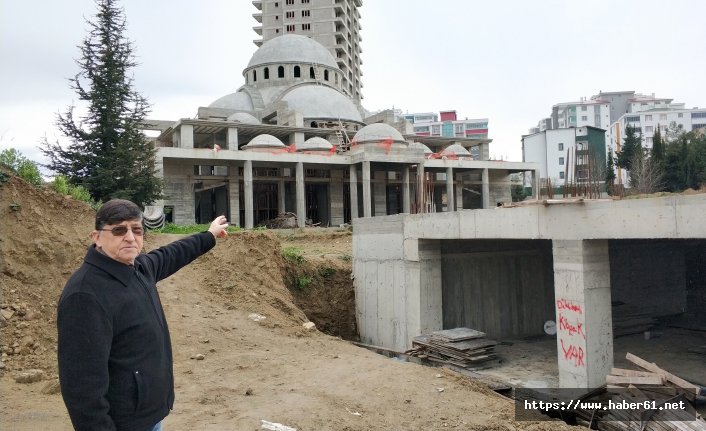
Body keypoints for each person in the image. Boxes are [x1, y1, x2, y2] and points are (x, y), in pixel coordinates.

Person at [57, 199, 228, 431]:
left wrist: (209, 235)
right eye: (119, 230)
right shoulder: (85, 295)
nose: (130, 237)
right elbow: (82, 387)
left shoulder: (137, 268)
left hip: (149, 414)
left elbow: (171, 254)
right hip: (125, 423)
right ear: (96, 237)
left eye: (136, 229)